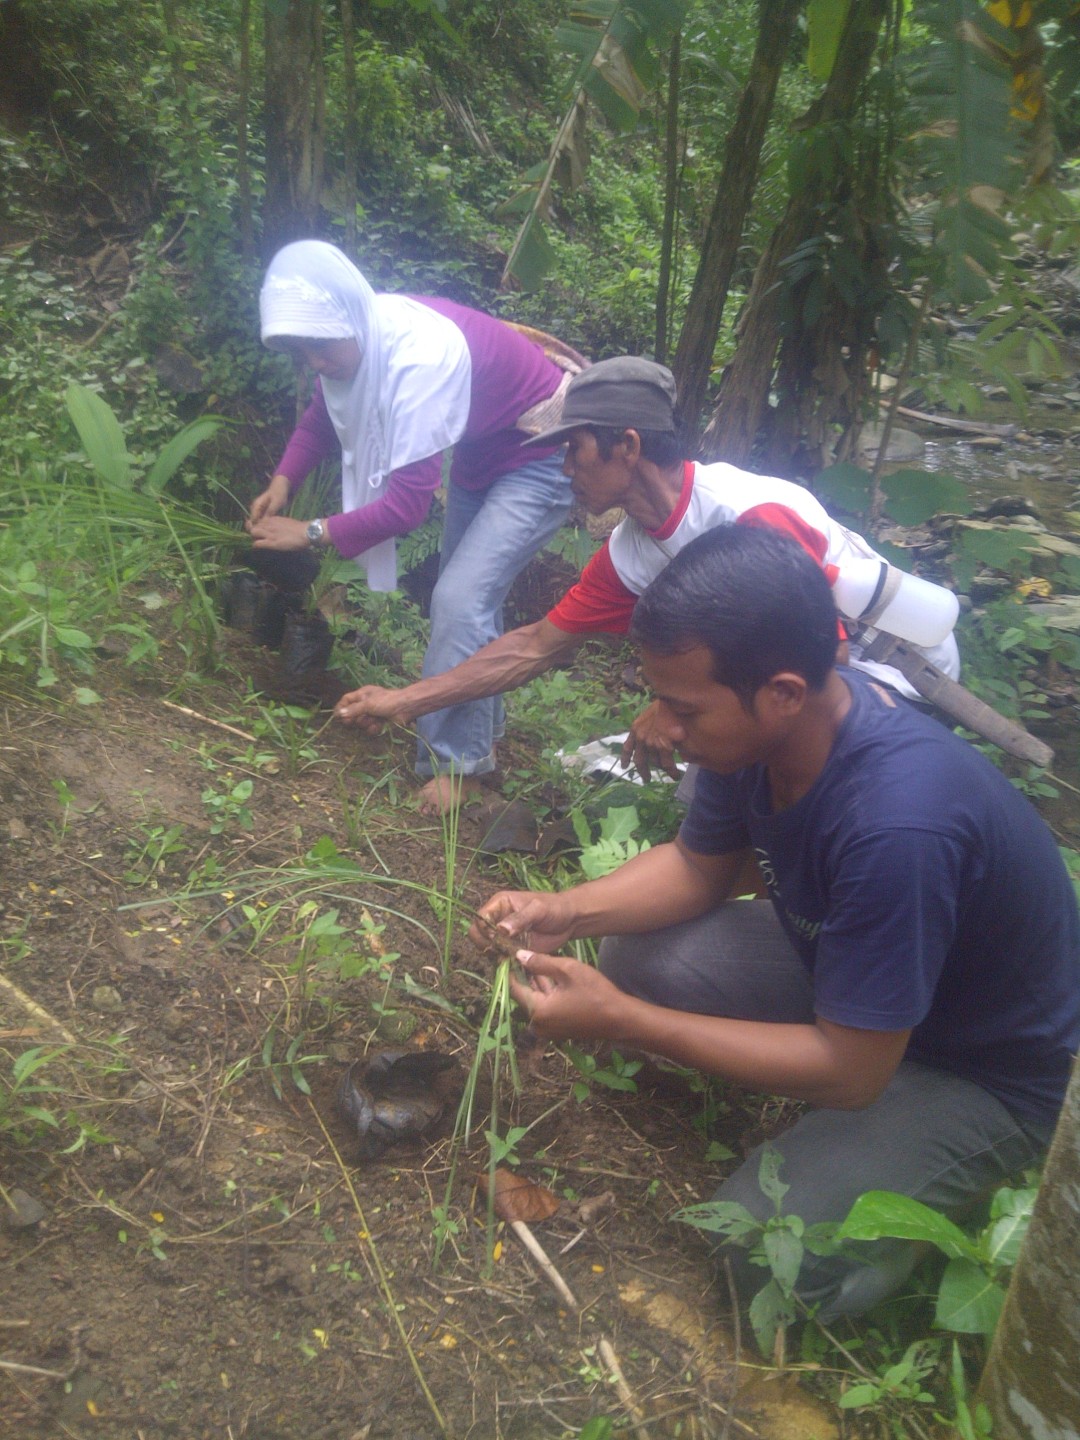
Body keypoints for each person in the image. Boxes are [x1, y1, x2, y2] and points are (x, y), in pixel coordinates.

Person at [469, 524, 1080, 1322]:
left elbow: (851, 1070)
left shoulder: (899, 823)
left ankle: (942, 1181)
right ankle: (866, 1129)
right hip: (859, 973)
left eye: (683, 707)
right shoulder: (756, 741)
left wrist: (624, 1022)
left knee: (765, 1256)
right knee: (642, 955)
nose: (664, 726)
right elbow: (699, 867)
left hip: (986, 1064)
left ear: (783, 691)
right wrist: (565, 909)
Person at [335, 357, 960, 790]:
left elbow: (824, 670)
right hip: (784, 682)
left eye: (573, 449)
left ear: (627, 447)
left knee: (760, 757)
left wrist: (674, 710)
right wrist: (404, 701)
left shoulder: (750, 515)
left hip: (885, 674)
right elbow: (532, 648)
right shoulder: (632, 551)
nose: (564, 471)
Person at [248, 240, 576, 814]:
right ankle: (482, 734)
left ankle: (461, 767)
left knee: (459, 598)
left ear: (348, 322)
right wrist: (284, 479)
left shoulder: (416, 363)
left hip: (543, 452)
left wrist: (312, 532)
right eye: (305, 354)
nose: (316, 363)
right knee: (469, 596)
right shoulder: (356, 339)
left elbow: (406, 509)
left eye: (321, 348)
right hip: (482, 446)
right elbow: (324, 412)